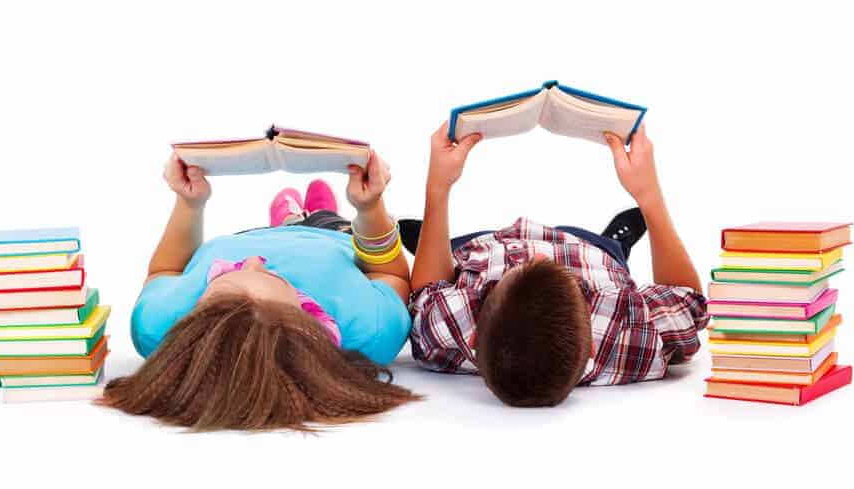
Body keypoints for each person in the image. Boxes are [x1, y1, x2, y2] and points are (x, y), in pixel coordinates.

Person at [98, 151, 419, 431]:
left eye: (225, 276)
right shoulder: (370, 331)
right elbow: (387, 271)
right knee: (329, 217)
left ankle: (289, 217)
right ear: (311, 318)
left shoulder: (158, 327)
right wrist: (370, 208)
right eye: (274, 277)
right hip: (333, 239)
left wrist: (189, 203)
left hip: (239, 238)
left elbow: (166, 270)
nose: (253, 261)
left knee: (290, 219)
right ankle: (314, 214)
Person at [403, 122, 708, 407]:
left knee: (448, 257)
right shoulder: (628, 332)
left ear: (472, 338)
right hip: (590, 248)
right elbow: (688, 300)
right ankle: (617, 242)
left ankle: (433, 237)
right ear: (593, 344)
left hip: (483, 246)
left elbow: (428, 291)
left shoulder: (446, 328)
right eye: (569, 280)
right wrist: (648, 195)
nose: (538, 255)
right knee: (612, 249)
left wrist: (438, 189)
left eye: (513, 272)